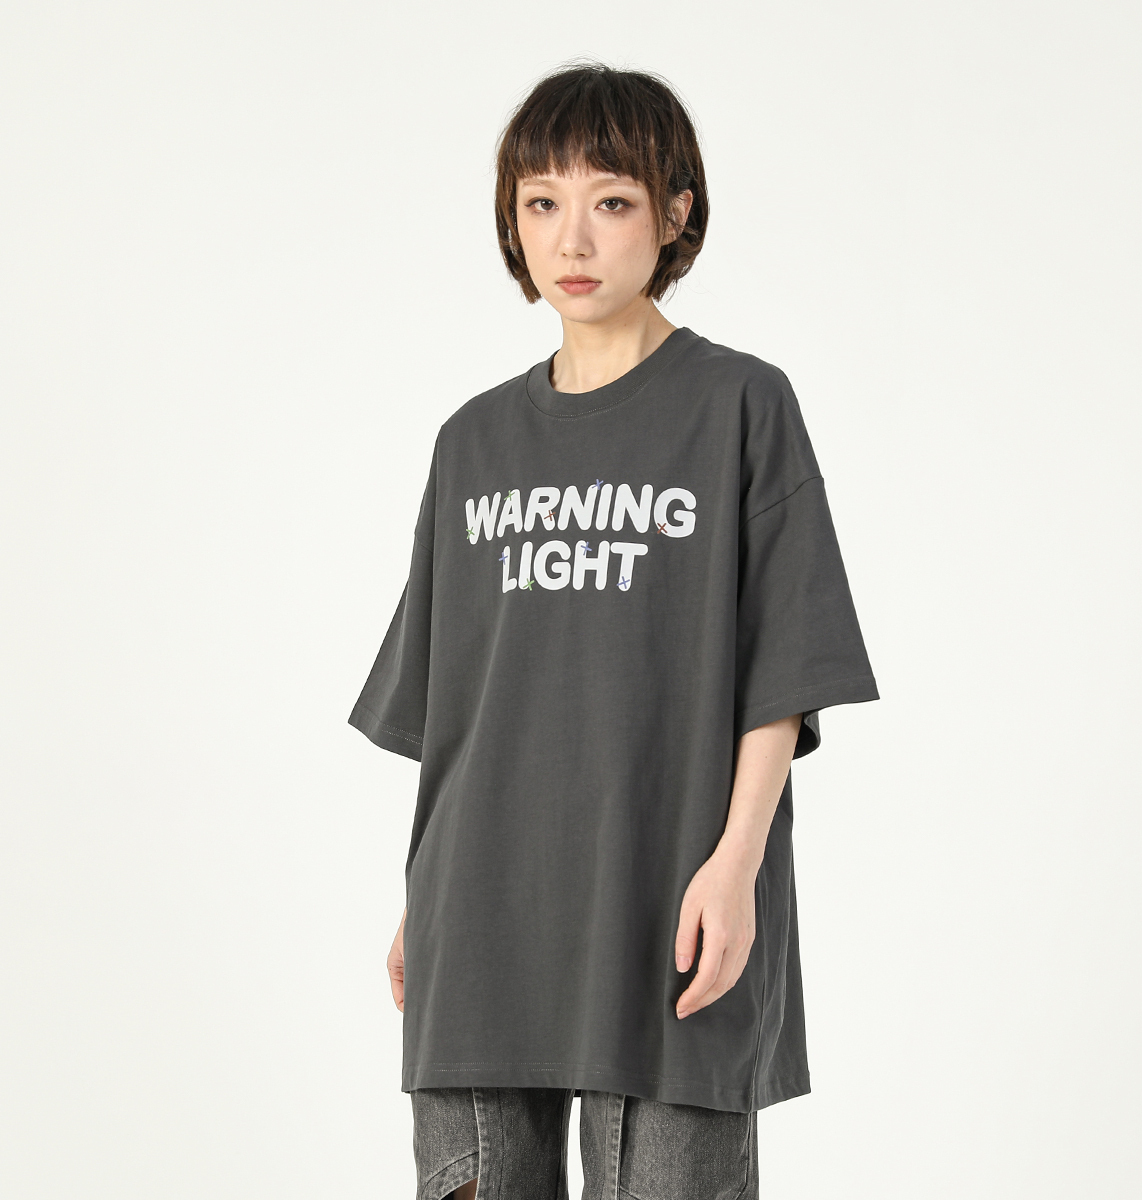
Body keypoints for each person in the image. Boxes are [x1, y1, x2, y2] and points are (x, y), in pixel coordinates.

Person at [348, 62, 879, 1200]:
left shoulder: (741, 405)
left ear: (674, 211)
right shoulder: (471, 443)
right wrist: (423, 904)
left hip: (671, 903)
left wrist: (736, 868)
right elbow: (460, 709)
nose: (572, 238)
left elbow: (783, 669)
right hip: (482, 919)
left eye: (612, 200)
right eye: (542, 202)